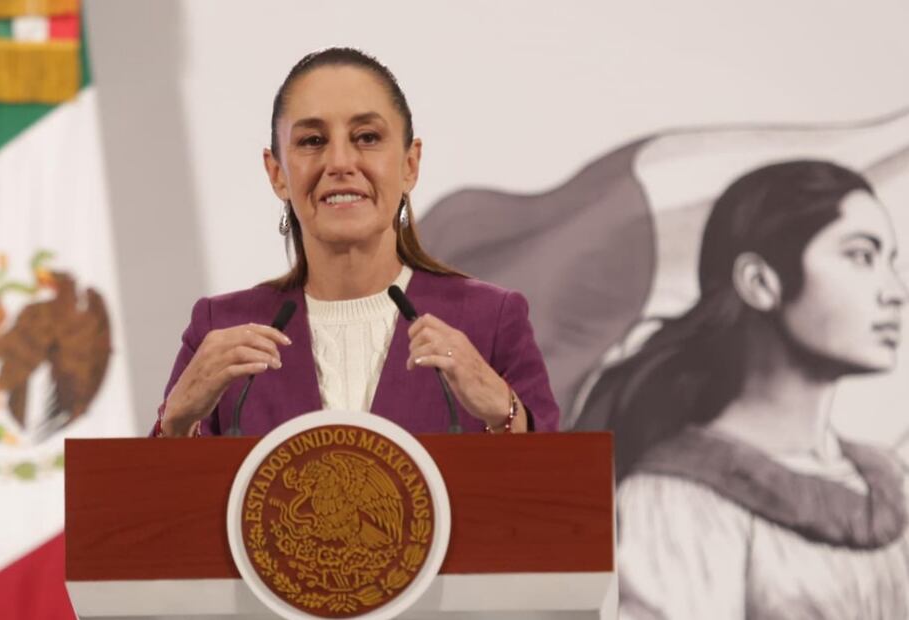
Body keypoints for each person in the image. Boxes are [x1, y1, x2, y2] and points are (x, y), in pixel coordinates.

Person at [154, 48, 559, 438]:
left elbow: (562, 494)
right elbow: (151, 502)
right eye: (312, 141)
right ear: (277, 173)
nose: (340, 163)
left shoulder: (488, 322)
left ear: (409, 165)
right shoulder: (219, 329)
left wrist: (505, 412)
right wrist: (176, 421)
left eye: (366, 137)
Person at [578, 161, 909, 618]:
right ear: (760, 283)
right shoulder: (679, 500)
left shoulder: (890, 479)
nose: (895, 292)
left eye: (891, 262)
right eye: (860, 256)